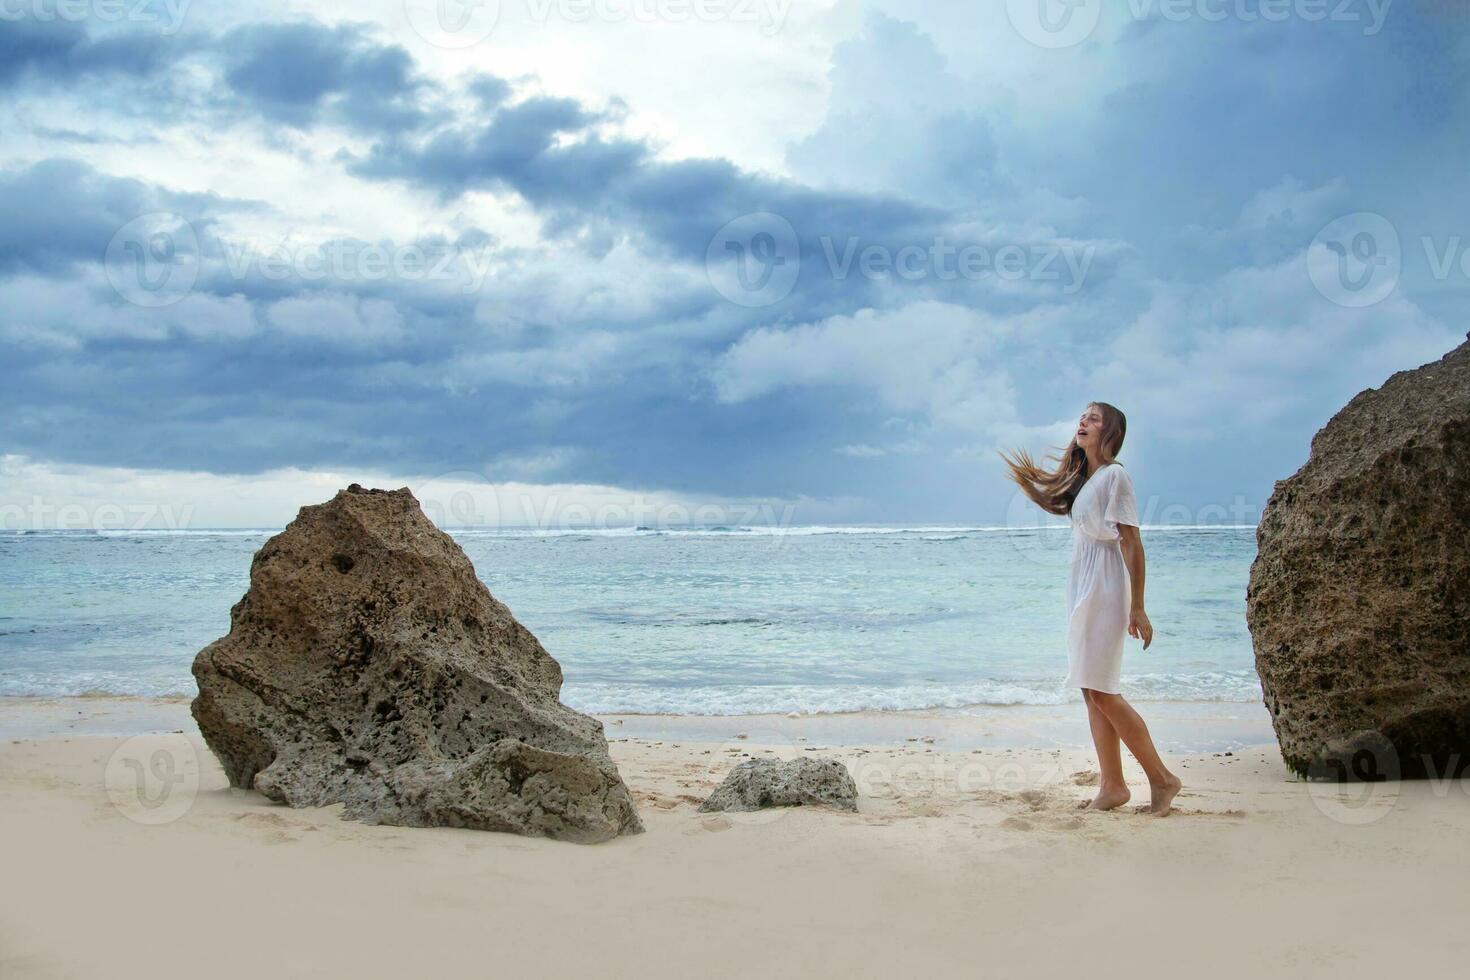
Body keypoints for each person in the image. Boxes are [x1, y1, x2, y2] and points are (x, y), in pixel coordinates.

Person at [1001, 402, 1182, 815]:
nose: (1083, 422)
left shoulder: (1115, 475)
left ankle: (1163, 779)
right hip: (1084, 582)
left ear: (1111, 434)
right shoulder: (1089, 480)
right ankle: (1113, 786)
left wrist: (1139, 607)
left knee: (1103, 690)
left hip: (1105, 584)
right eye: (1082, 417)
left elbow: (1132, 541)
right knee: (1090, 689)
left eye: (1094, 418)